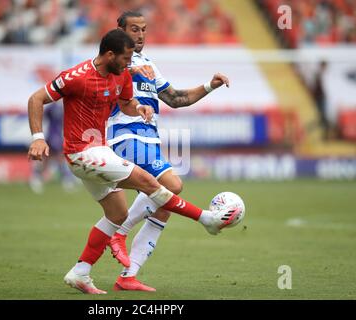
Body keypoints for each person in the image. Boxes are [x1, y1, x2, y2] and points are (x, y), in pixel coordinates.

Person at [27, 29, 241, 294]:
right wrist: (38, 138)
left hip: (98, 151)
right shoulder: (77, 77)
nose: (130, 63)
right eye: (126, 58)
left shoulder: (122, 75)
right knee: (151, 183)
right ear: (109, 55)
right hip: (83, 153)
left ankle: (80, 272)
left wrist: (138, 108)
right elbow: (36, 98)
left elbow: (127, 102)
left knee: (118, 213)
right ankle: (206, 219)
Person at [107, 11, 231, 292]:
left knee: (164, 206)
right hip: (125, 134)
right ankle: (119, 232)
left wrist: (210, 86)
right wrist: (129, 69)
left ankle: (128, 275)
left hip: (149, 138)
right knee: (172, 184)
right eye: (133, 29)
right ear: (120, 32)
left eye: (143, 30)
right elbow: (107, 74)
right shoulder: (113, 59)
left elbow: (175, 99)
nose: (139, 35)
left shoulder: (149, 65)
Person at [29, 102, 79, 194]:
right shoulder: (54, 107)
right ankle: (66, 179)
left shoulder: (61, 107)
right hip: (54, 135)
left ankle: (37, 177)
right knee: (57, 157)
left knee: (51, 158)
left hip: (57, 135)